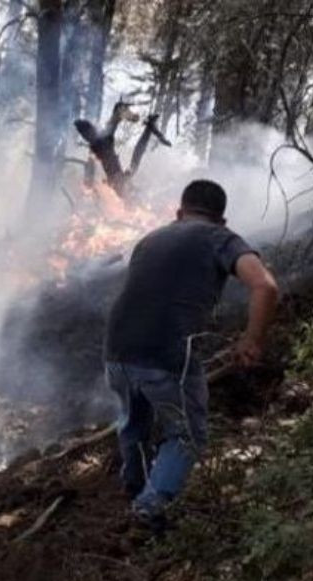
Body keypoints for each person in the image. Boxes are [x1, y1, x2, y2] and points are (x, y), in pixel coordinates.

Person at [103, 179, 279, 531]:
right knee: (187, 435)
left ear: (179, 212)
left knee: (134, 421)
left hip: (117, 347)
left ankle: (135, 487)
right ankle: (148, 509)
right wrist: (252, 340)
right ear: (222, 219)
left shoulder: (150, 239)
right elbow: (265, 286)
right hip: (166, 351)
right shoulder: (221, 238)